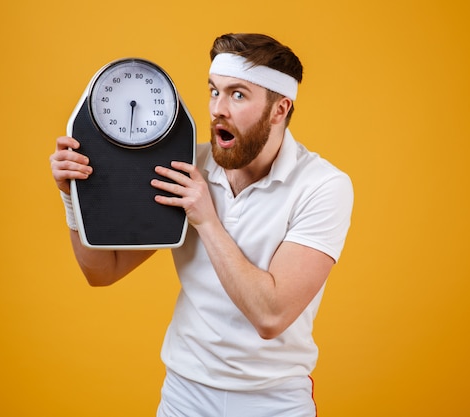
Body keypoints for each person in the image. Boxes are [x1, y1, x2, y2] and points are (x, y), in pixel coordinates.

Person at [50, 33, 353, 417]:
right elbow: (103, 271)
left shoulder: (323, 186)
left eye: (238, 95)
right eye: (214, 91)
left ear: (279, 109)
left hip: (274, 402)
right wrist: (74, 197)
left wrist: (206, 218)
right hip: (184, 396)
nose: (217, 110)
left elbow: (271, 316)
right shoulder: (187, 166)